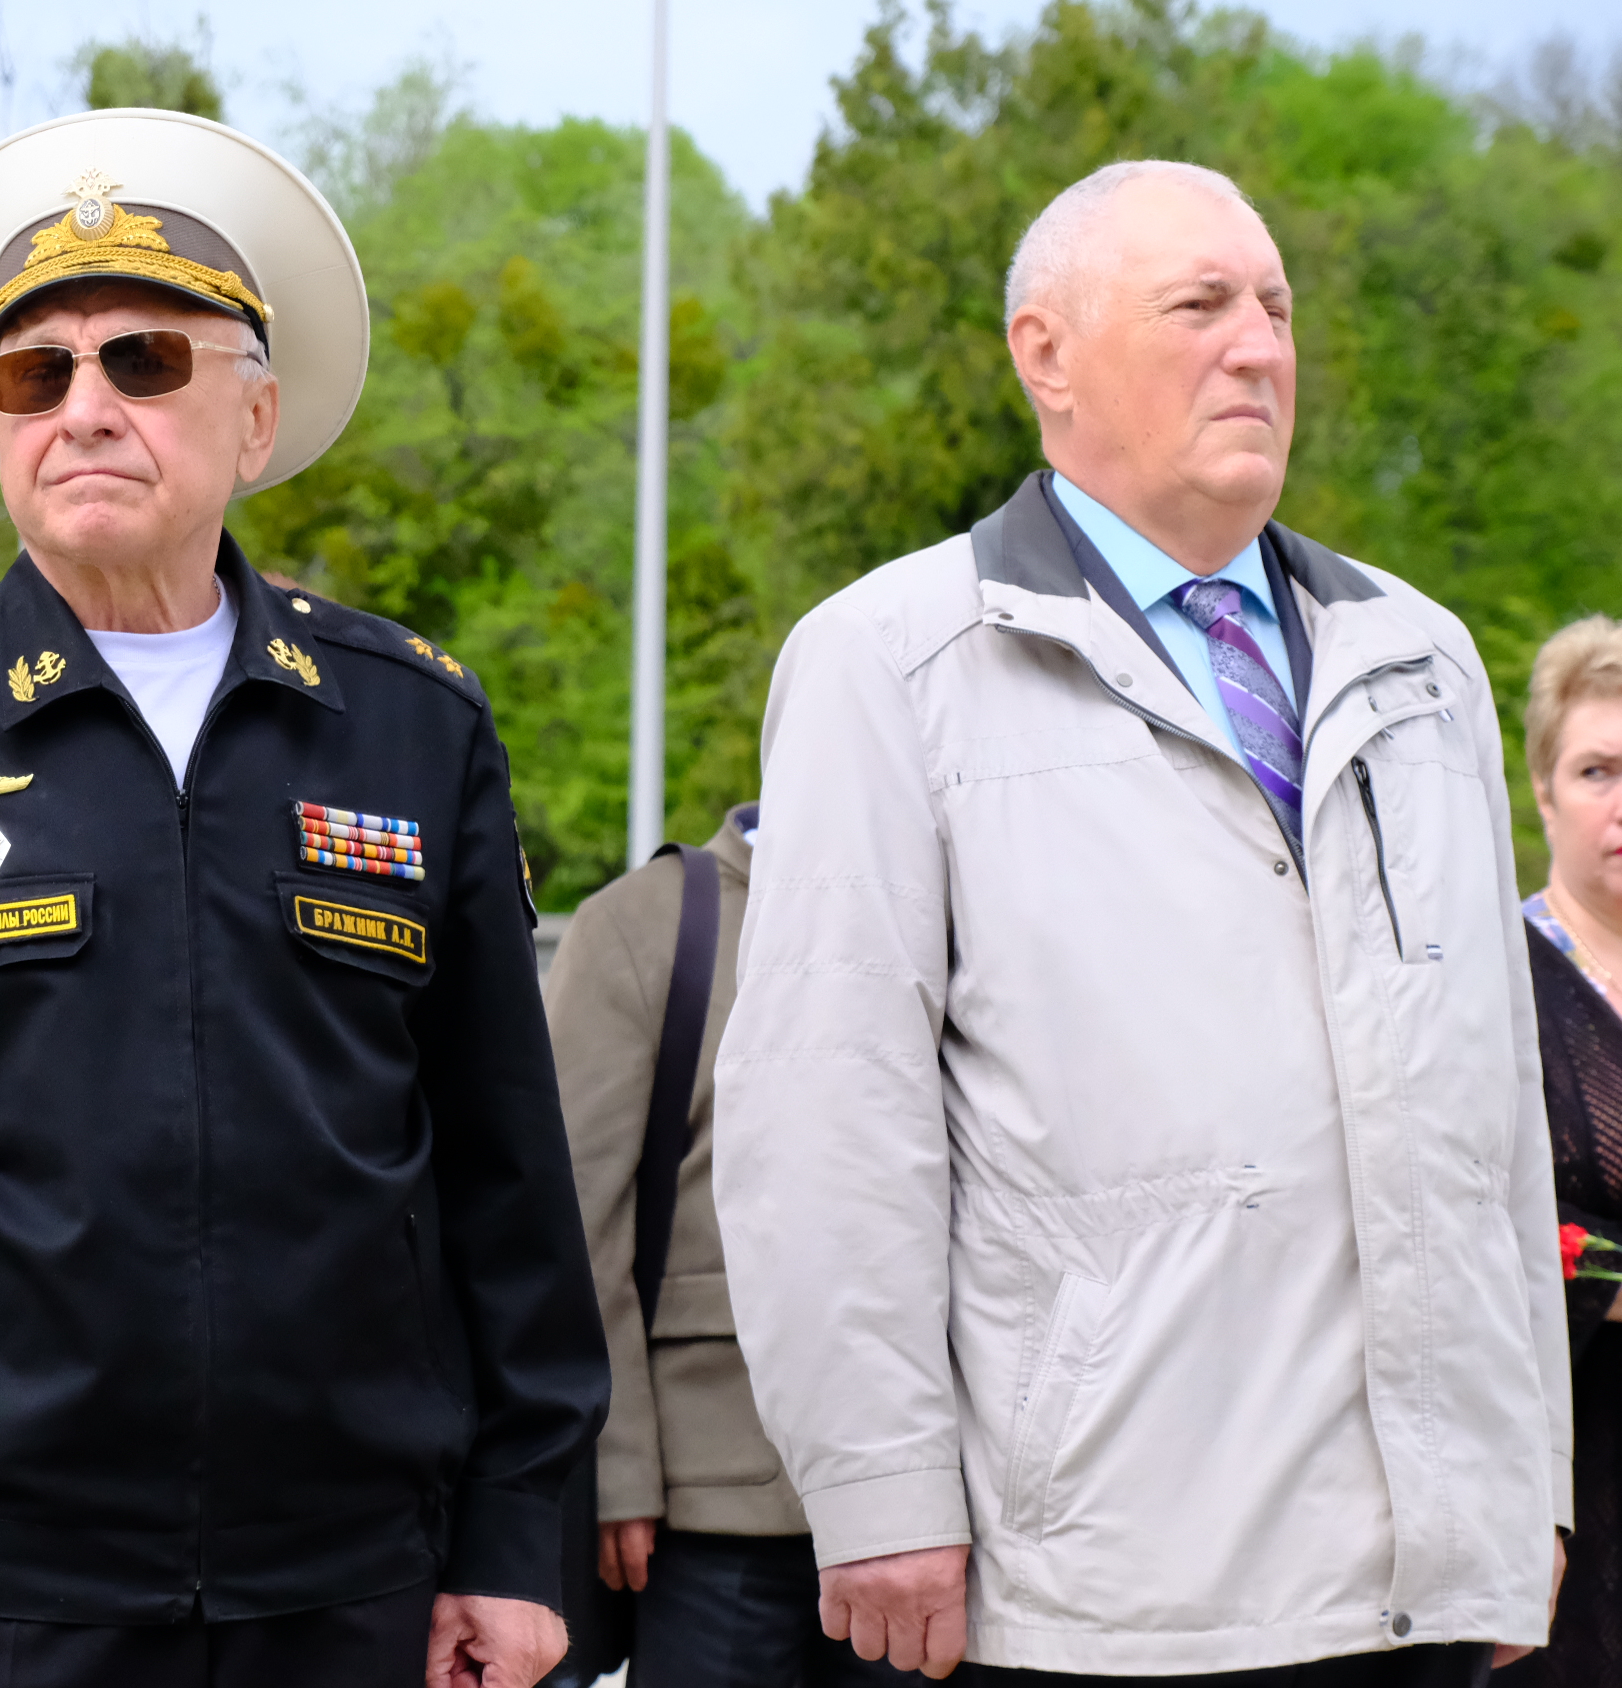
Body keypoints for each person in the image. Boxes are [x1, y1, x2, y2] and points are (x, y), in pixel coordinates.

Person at [0, 108, 609, 1688]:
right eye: (34, 376)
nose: (83, 408)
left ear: (257, 418)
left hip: (355, 1581)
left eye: (144, 363)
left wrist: (518, 1533)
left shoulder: (410, 723)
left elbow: (509, 1176)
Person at [713, 159, 1569, 1684]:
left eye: (1277, 308)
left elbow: (1497, 1114)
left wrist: (1523, 1490)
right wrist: (878, 1492)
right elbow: (827, 1118)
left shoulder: (1421, 657)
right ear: (1045, 354)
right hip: (1110, 1585)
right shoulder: (891, 660)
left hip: (1427, 1581)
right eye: (1201, 306)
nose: (1258, 347)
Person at [546, 804, 915, 1688]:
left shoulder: (931, 909)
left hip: (916, 1510)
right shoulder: (644, 923)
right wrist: (617, 1471)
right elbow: (578, 1222)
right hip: (714, 1502)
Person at [1498, 615, 1622, 1687]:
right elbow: (1462, 1208)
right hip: (1568, 1475)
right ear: (1542, 789)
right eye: (1597, 770)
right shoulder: (1488, 978)